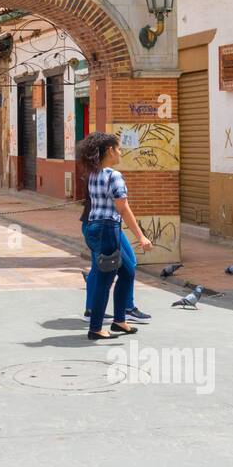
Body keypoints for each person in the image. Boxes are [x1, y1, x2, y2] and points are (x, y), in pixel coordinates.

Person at [78, 132, 152, 340]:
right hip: (108, 230)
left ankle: (120, 321)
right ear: (109, 150)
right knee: (105, 279)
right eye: (118, 148)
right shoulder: (113, 175)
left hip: (94, 227)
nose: (121, 152)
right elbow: (123, 208)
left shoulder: (93, 173)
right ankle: (96, 328)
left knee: (127, 272)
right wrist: (141, 237)